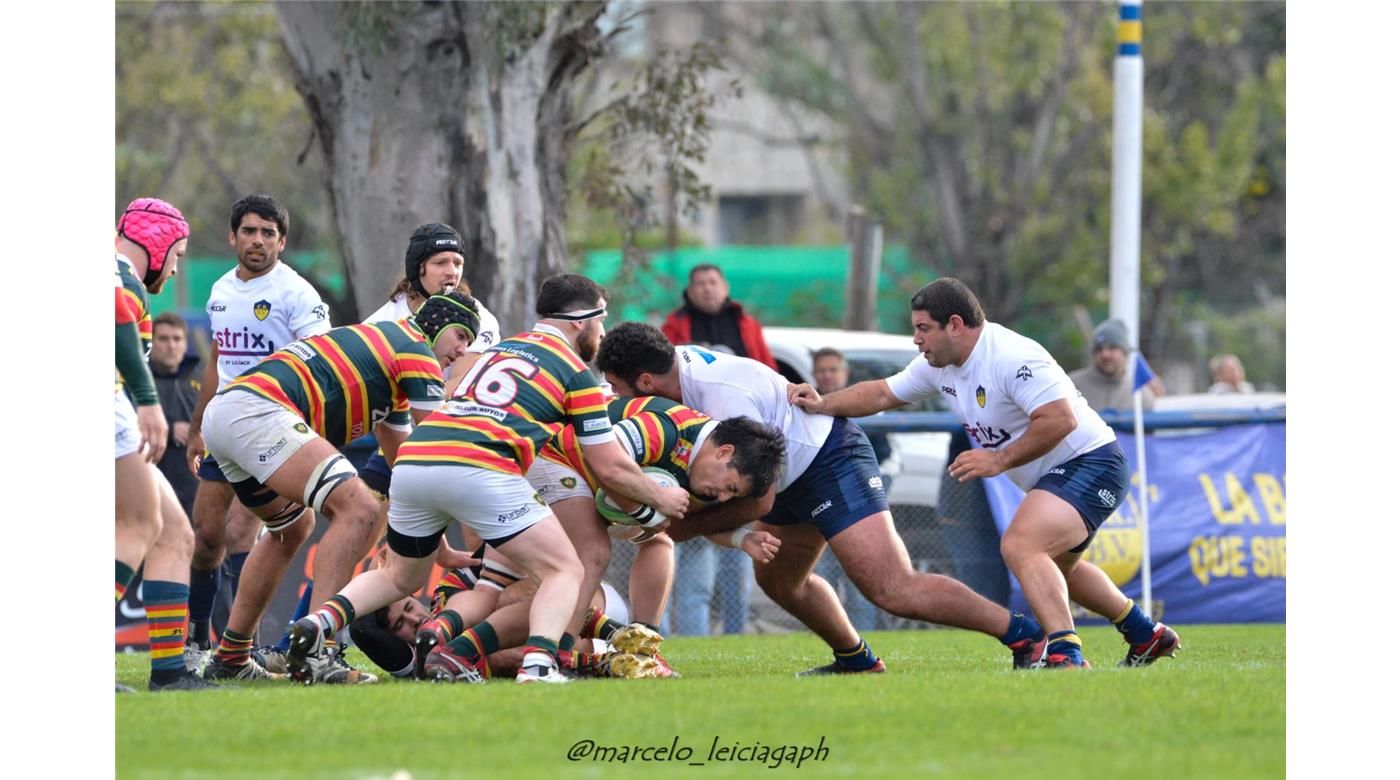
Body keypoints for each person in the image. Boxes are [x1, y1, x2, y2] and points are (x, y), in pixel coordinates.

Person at [285, 274, 692, 685]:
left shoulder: (497, 351)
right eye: (601, 324)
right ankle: (538, 668)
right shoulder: (575, 372)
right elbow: (610, 466)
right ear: (581, 321)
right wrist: (660, 497)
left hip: (414, 459)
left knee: (399, 579)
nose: (602, 335)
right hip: (481, 464)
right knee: (566, 569)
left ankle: (319, 621)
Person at [596, 322, 1049, 675]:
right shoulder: (678, 381)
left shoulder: (721, 396)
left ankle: (1025, 635)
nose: (615, 397)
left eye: (616, 387)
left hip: (828, 460)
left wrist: (669, 528)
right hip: (785, 476)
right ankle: (856, 660)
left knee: (891, 587)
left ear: (645, 381)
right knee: (778, 580)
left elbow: (755, 502)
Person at [789, 278, 1181, 668]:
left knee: (1022, 546)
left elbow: (1059, 419)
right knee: (1060, 572)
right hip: (1064, 471)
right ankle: (1145, 634)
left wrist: (999, 460)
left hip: (1094, 461)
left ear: (955, 325)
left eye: (923, 328)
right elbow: (880, 393)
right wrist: (823, 404)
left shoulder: (1011, 356)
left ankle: (1065, 653)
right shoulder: (939, 365)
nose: (916, 340)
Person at [198, 292, 483, 684]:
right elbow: (436, 451)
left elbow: (405, 467)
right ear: (437, 324)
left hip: (229, 413)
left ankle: (231, 657)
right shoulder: (416, 348)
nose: (463, 349)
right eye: (463, 335)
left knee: (292, 528)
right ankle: (319, 652)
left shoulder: (390, 358)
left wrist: (440, 547)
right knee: (360, 509)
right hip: (260, 410)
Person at [185, 194, 331, 662]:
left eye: (269, 233)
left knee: (246, 533)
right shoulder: (221, 291)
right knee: (207, 536)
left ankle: (241, 647)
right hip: (222, 427)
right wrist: (196, 427)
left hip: (271, 429)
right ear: (233, 237)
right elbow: (218, 359)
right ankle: (197, 644)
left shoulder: (298, 295)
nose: (258, 240)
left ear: (282, 242)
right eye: (249, 231)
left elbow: (321, 365)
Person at [113, 197, 213, 691]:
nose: (175, 269)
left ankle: (170, 673)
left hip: (117, 418)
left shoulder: (128, 283)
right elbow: (113, 322)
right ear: (156, 243)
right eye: (176, 255)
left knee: (175, 533)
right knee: (140, 523)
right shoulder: (117, 275)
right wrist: (149, 403)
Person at [808, 347, 881, 632]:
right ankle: (841, 640)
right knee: (821, 575)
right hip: (817, 506)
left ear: (845, 373)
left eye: (833, 369)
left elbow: (887, 454)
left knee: (864, 577)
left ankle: (867, 638)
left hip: (859, 502)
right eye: (821, 370)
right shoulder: (803, 405)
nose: (827, 375)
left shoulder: (862, 402)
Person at [661, 264, 776, 370]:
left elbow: (768, 367)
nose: (707, 289)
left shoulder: (748, 324)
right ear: (689, 291)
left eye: (713, 282)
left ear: (725, 288)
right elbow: (664, 369)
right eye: (700, 284)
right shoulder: (674, 326)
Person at [149, 311, 203, 517]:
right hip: (155, 482)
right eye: (163, 339)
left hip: (196, 486)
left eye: (177, 339)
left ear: (185, 343)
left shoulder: (202, 376)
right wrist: (170, 430)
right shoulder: (138, 381)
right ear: (151, 342)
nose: (171, 346)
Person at [1067, 318, 1153, 413]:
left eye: (1112, 348)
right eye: (1099, 349)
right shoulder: (1072, 385)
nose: (1105, 354)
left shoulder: (1140, 395)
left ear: (1125, 353)